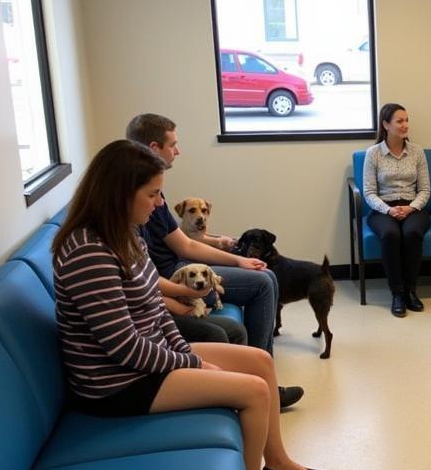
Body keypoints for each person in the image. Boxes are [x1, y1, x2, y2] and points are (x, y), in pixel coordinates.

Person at [52, 140, 329, 470]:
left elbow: (152, 305)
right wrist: (193, 361)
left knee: (260, 362)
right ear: (119, 193)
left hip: (146, 360)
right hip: (116, 384)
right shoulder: (88, 251)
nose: (159, 203)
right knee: (252, 390)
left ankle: (278, 464)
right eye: (152, 194)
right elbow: (123, 346)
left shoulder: (127, 234)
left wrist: (183, 349)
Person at [125, 112, 302, 408]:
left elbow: (183, 242)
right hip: (177, 273)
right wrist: (231, 264)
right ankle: (260, 378)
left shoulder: (149, 197)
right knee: (262, 283)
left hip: (173, 277)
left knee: (267, 276)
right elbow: (185, 250)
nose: (178, 151)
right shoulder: (133, 211)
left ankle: (263, 372)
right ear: (154, 148)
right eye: (174, 145)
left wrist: (229, 253)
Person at [362, 103, 431, 318]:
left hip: (413, 206)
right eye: (399, 121)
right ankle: (397, 294)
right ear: (386, 125)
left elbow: (426, 189)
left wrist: (410, 208)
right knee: (391, 234)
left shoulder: (417, 152)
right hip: (384, 209)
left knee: (412, 233)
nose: (405, 125)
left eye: (406, 120)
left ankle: (411, 291)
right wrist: (389, 210)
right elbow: (368, 192)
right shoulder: (373, 153)